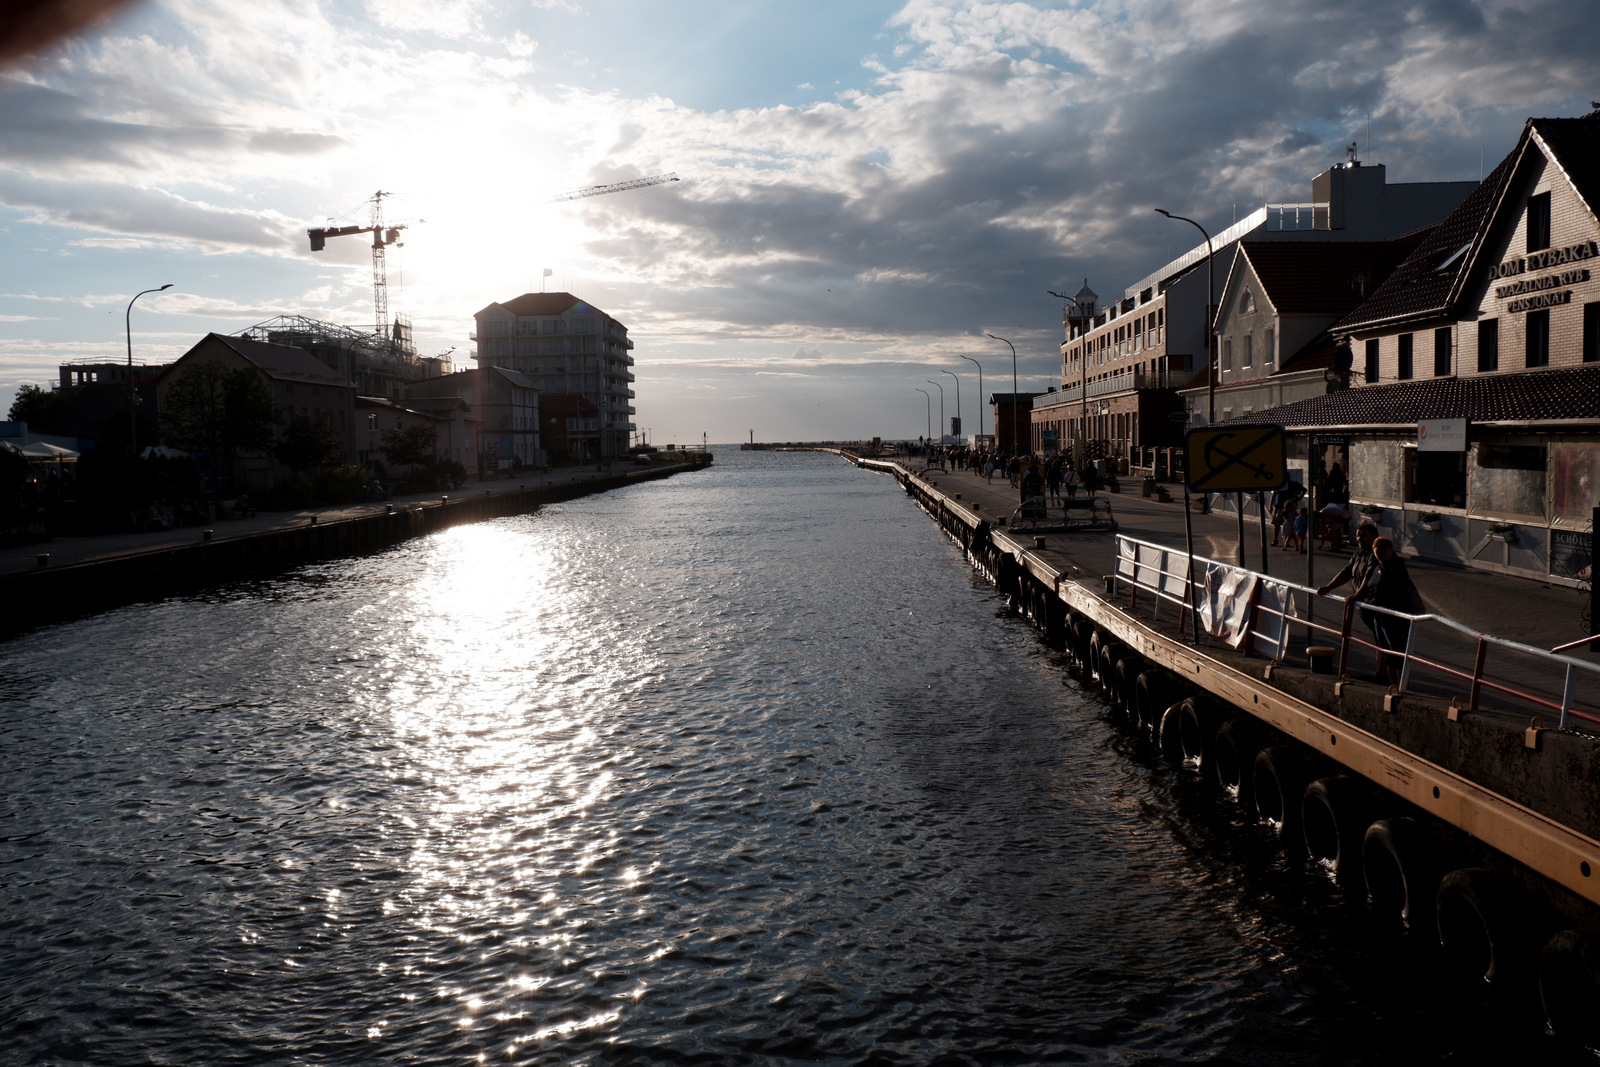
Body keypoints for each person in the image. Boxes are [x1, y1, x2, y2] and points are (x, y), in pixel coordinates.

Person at [1357, 537, 1421, 685]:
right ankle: (1394, 685)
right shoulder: (1376, 567)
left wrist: (1368, 602)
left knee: (1397, 651)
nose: (1381, 552)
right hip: (1379, 615)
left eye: (1385, 549)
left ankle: (1401, 686)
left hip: (1394, 617)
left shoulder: (1395, 567)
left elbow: (1387, 592)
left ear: (1391, 551)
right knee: (1387, 652)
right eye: (1378, 549)